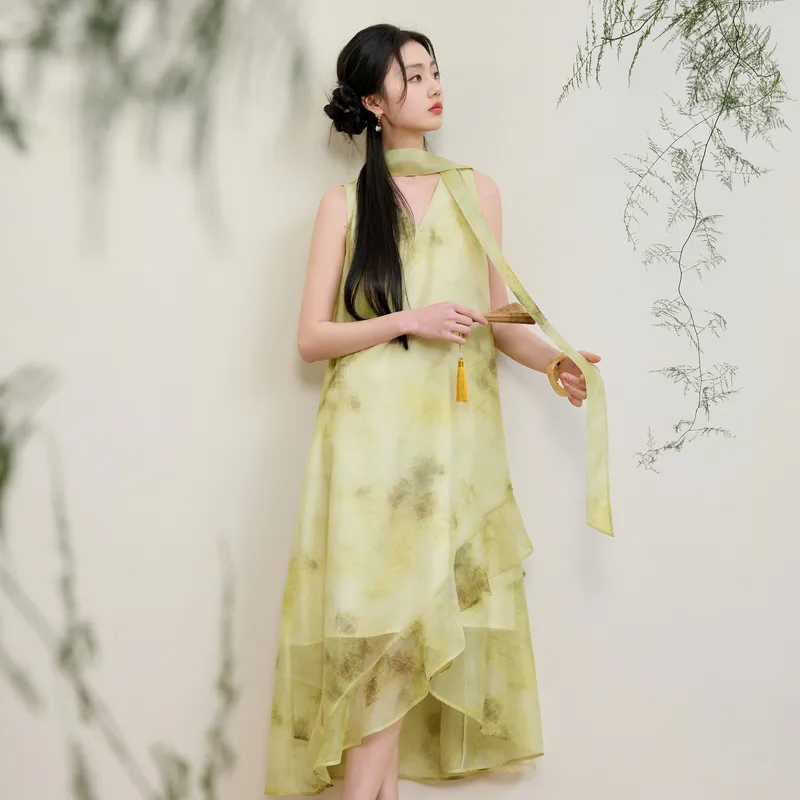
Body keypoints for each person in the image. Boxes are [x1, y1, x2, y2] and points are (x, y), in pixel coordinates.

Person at [265, 22, 605, 800]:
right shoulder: (342, 205)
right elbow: (312, 338)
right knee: (376, 643)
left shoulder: (475, 191)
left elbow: (498, 321)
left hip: (449, 453)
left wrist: (556, 361)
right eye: (412, 76)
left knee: (405, 643)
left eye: (433, 71)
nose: (432, 86)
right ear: (374, 103)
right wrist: (408, 319)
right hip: (365, 449)